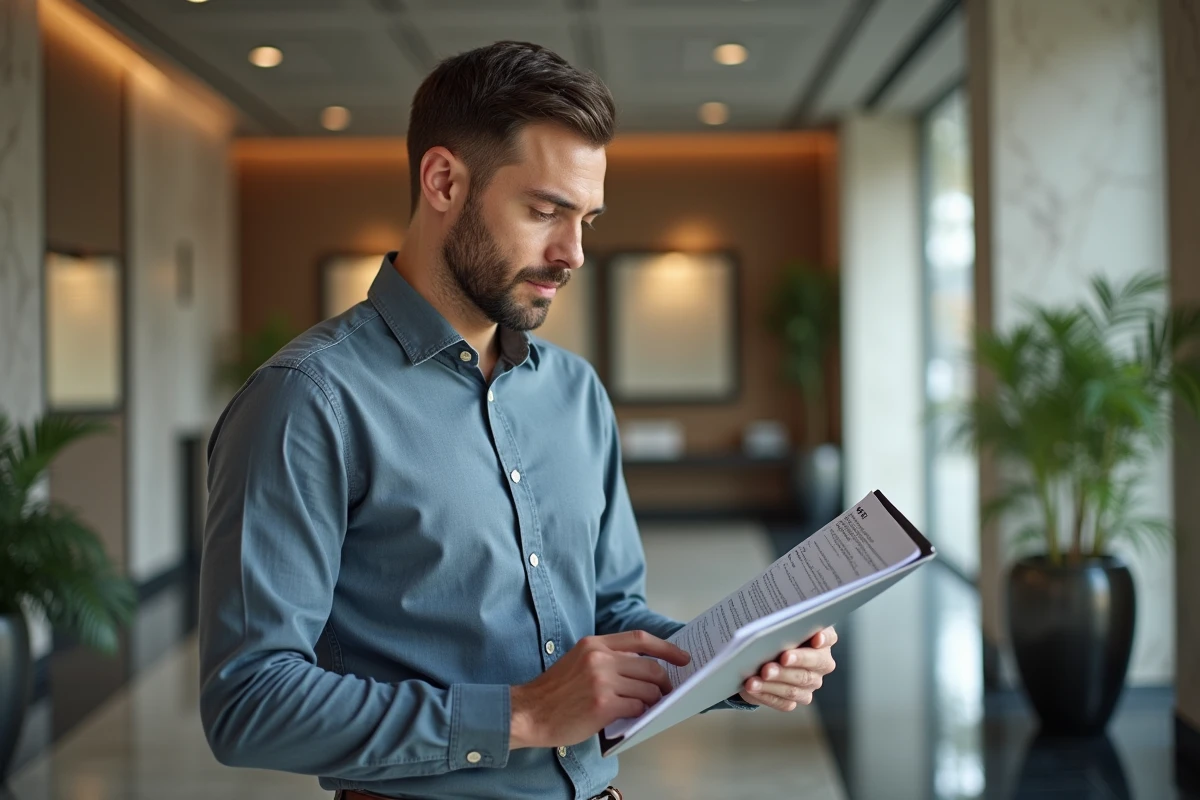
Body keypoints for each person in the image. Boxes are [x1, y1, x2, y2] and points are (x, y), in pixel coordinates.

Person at [198, 40, 838, 800]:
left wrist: (735, 664)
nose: (571, 253)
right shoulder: (306, 400)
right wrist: (518, 715)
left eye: (586, 219)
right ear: (443, 181)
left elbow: (608, 614)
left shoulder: (576, 392)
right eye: (544, 211)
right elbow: (247, 702)